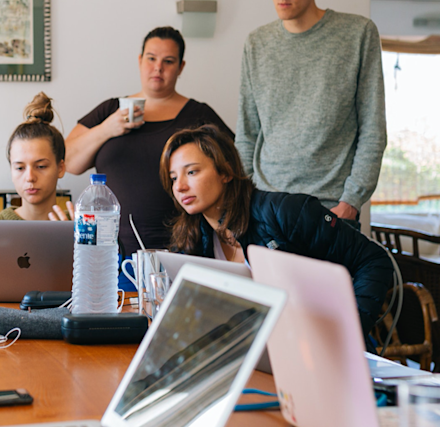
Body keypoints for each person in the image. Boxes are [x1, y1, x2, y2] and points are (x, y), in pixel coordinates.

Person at [160, 125, 393, 342]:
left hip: (317, 347)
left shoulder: (286, 212)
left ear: (226, 172)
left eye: (191, 172)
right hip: (257, 350)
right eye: (173, 178)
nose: (179, 186)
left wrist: (349, 331)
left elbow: (373, 260)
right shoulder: (191, 238)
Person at [236, 0, 387, 226]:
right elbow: (247, 133)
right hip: (266, 206)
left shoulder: (357, 34)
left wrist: (351, 202)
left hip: (331, 210)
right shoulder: (257, 43)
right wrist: (244, 198)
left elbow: (373, 129)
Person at [66, 26, 232, 255]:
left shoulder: (198, 114)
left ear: (181, 67)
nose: (158, 68)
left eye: (169, 61)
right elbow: (68, 162)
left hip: (184, 249)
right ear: (140, 60)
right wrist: (106, 129)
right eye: (151, 58)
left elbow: (233, 169)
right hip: (109, 255)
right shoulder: (110, 110)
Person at [0, 92, 74, 222]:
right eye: (20, 168)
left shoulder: (81, 228)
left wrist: (74, 241)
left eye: (41, 166)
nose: (30, 178)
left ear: (60, 168)